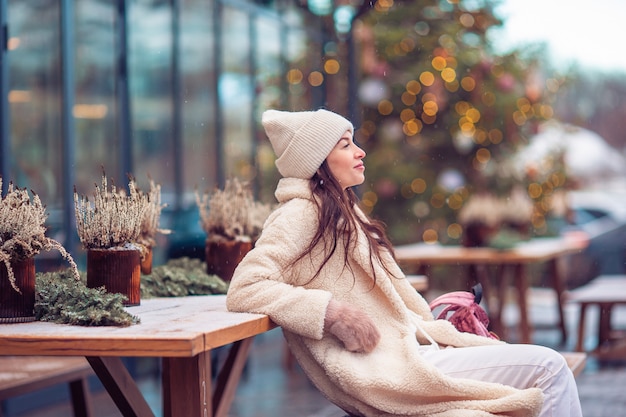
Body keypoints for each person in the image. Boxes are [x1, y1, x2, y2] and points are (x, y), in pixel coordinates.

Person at [226, 108, 582, 417]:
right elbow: (246, 286)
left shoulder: (339, 212)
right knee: (551, 368)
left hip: (411, 351)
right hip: (390, 369)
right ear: (316, 159)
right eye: (346, 144)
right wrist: (332, 313)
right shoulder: (301, 214)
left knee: (551, 369)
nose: (360, 151)